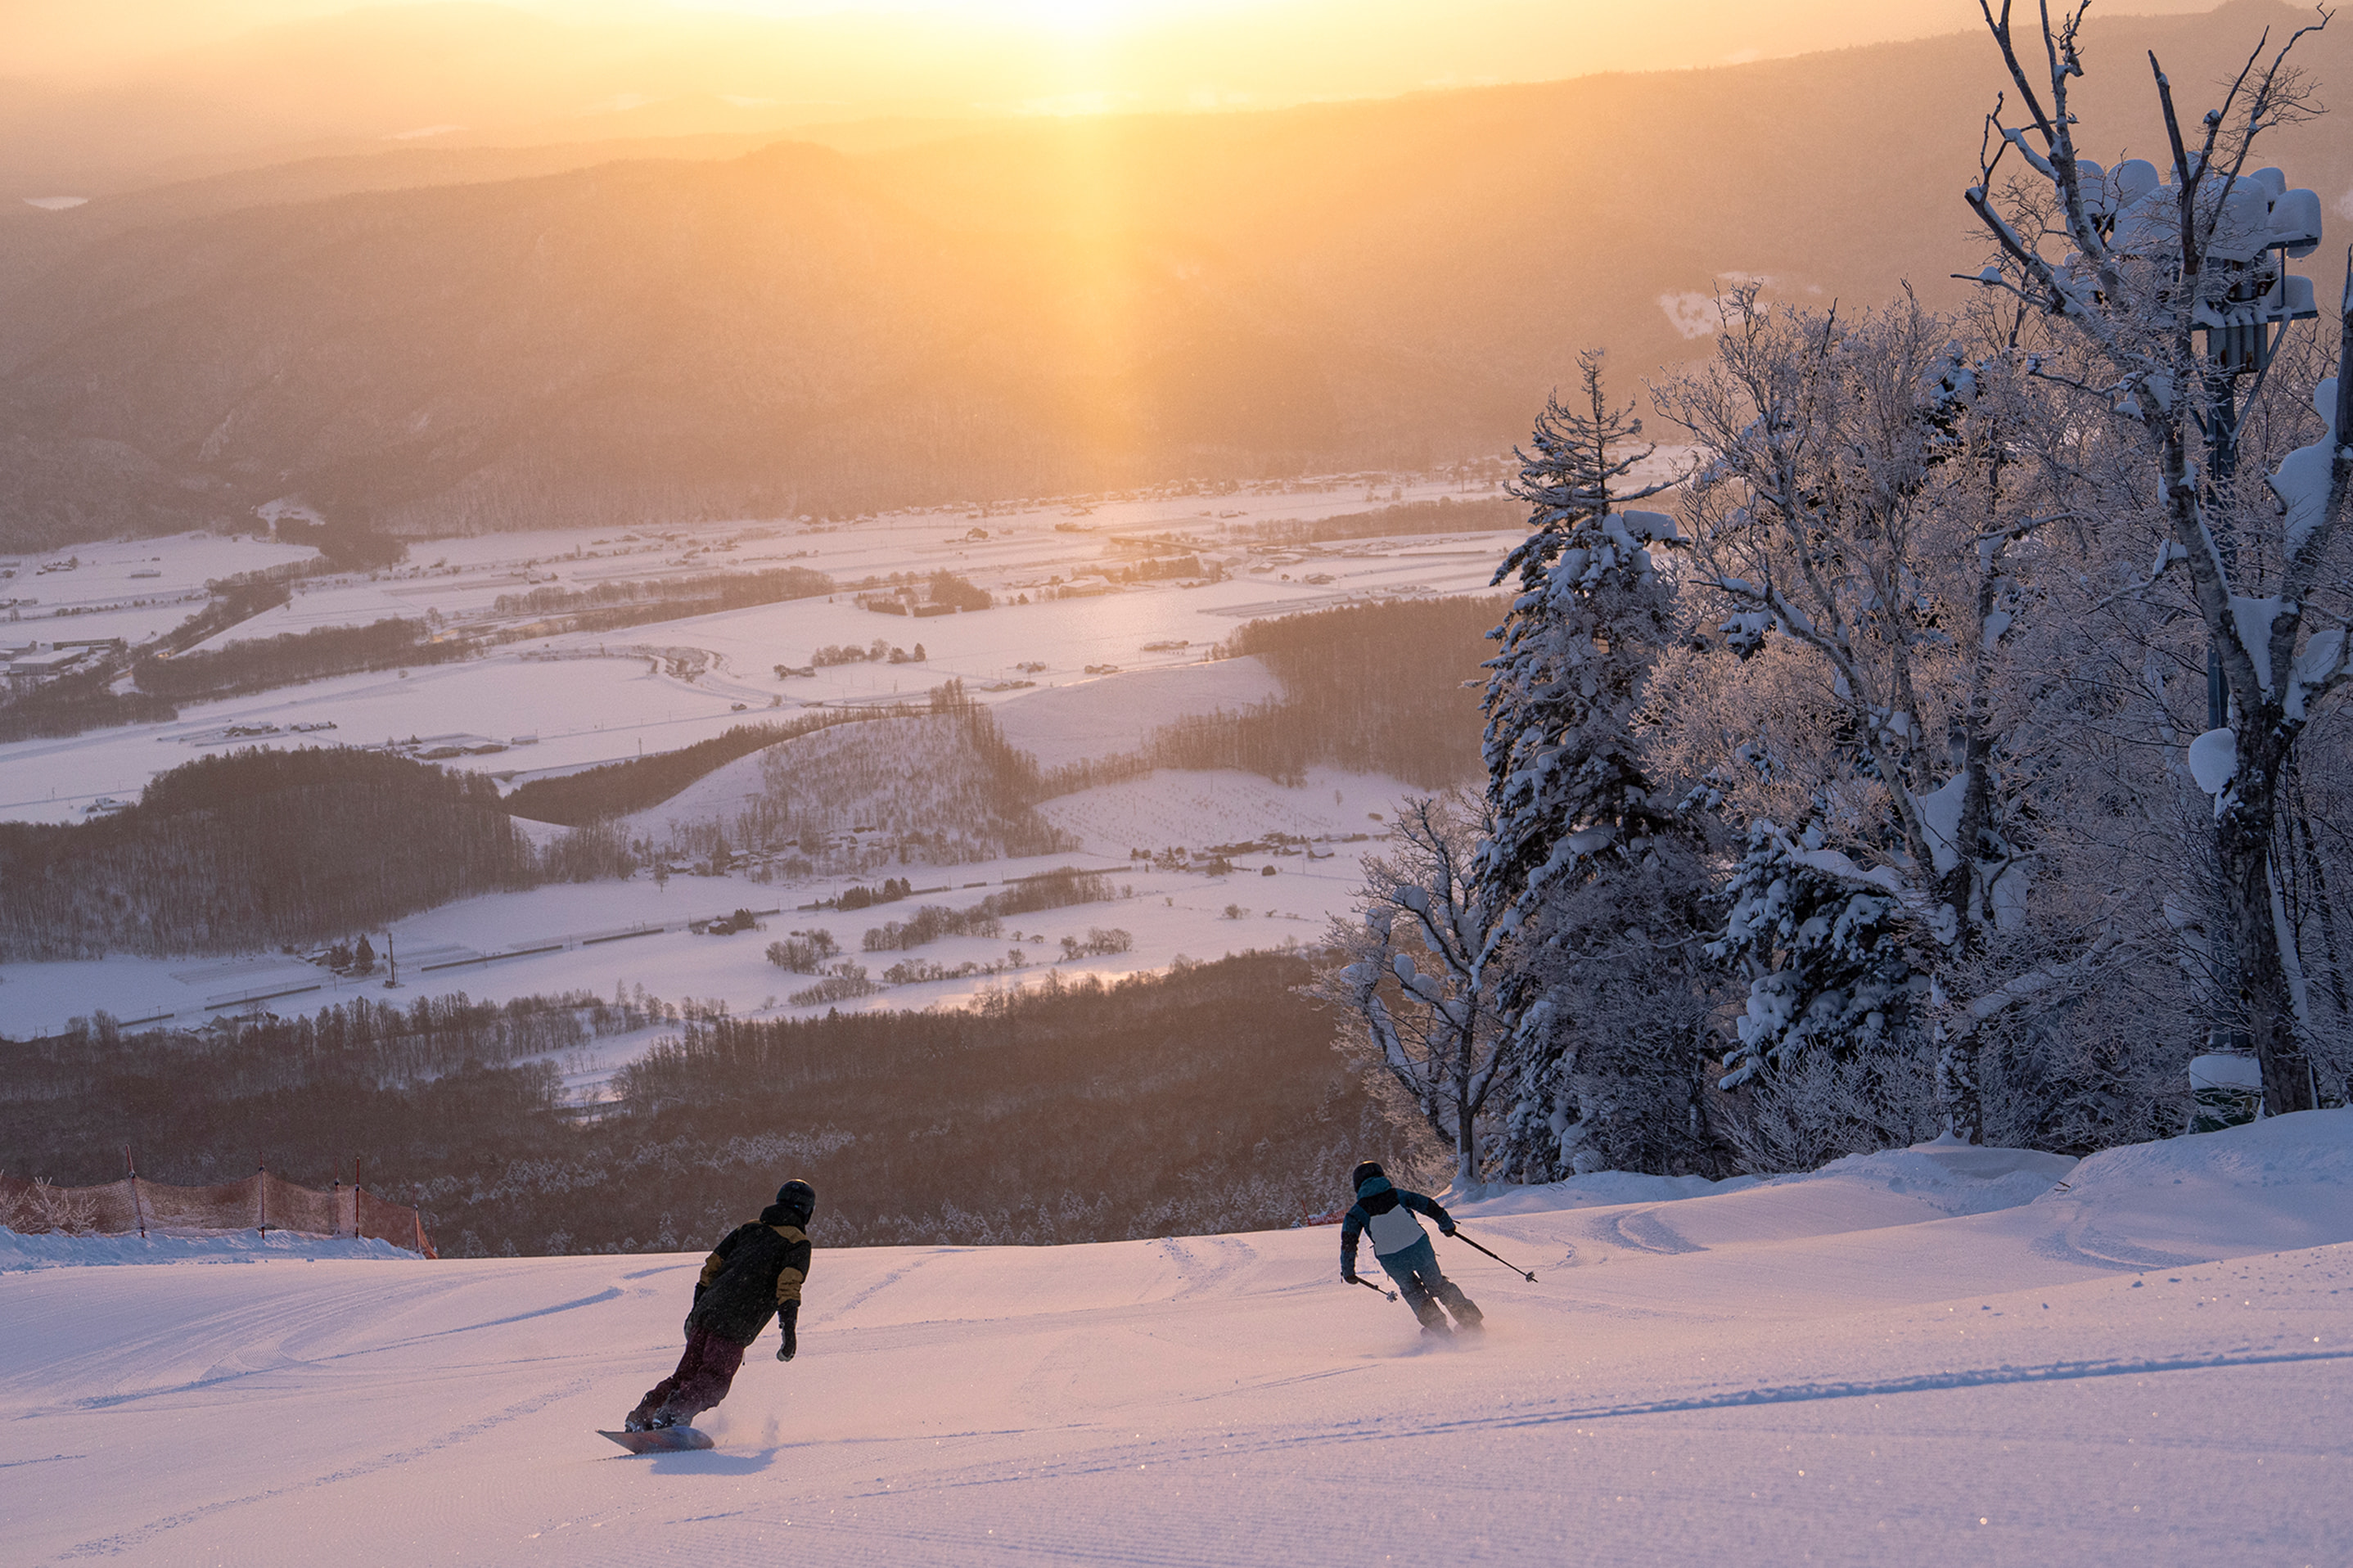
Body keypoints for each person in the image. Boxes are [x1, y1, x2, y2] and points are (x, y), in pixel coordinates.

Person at [624, 1178, 815, 1431]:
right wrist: (788, 1331)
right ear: (807, 1211)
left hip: (708, 1311)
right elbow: (788, 1285)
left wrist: (697, 1311)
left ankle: (644, 1416)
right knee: (714, 1379)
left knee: (685, 1376)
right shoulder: (797, 1242)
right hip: (737, 1320)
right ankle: (672, 1415)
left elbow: (711, 1268)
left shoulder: (747, 1229)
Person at [1338, 1160, 1481, 1336]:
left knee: (1413, 1292)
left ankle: (1440, 1330)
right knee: (1438, 1284)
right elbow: (1428, 1205)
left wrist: (1348, 1271)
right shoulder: (1399, 1195)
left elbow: (1348, 1243)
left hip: (1391, 1258)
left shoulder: (1356, 1212)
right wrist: (1446, 1225)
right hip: (1419, 1248)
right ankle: (1471, 1323)